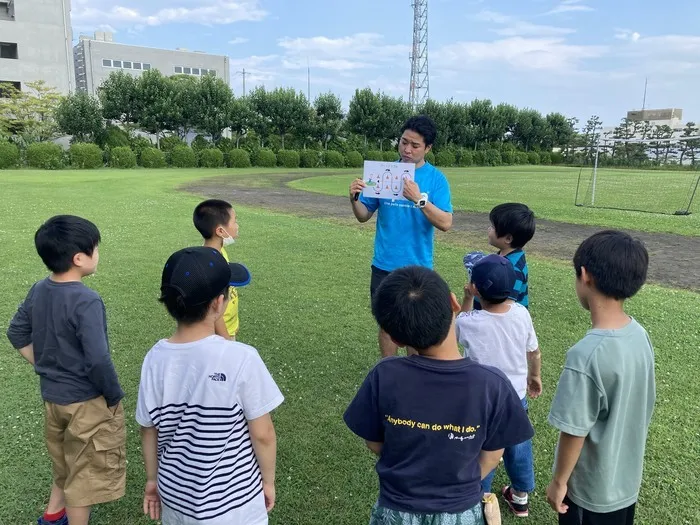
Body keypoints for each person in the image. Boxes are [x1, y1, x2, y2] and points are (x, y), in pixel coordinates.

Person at [344, 266, 534, 525]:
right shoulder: (493, 384)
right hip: (461, 511)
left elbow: (374, 442)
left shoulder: (384, 375)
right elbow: (491, 456)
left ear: (395, 339)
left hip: (395, 511)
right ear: (454, 303)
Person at [136, 246, 283, 525]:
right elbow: (263, 433)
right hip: (236, 505)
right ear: (219, 303)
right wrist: (268, 482)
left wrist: (152, 480)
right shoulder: (242, 357)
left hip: (177, 500)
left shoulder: (154, 359)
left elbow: (148, 429)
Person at [6, 215, 126, 525]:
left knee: (64, 462)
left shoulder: (39, 289)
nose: (98, 253)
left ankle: (52, 515)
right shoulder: (87, 300)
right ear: (78, 258)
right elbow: (99, 359)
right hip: (87, 403)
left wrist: (45, 365)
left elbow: (16, 333)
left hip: (53, 399)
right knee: (83, 480)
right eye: (95, 248)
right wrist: (112, 395)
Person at [546, 231, 655, 525]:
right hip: (626, 483)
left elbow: (574, 430)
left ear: (585, 276)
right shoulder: (638, 333)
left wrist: (559, 482)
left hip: (589, 493)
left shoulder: (586, 354)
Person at [349, 115, 454, 358]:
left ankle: (414, 375)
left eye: (415, 145)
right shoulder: (384, 172)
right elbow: (363, 215)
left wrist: (419, 199)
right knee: (387, 325)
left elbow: (446, 223)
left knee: (415, 328)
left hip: (418, 268)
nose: (407, 149)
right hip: (384, 264)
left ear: (427, 148)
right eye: (403, 142)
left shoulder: (436, 179)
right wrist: (353, 199)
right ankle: (389, 373)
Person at [456, 254, 542, 518]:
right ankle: (520, 497)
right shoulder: (521, 314)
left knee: (482, 448)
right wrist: (534, 376)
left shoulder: (468, 322)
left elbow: (460, 322)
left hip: (482, 400)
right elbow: (534, 352)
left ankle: (479, 496)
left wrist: (468, 296)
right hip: (515, 396)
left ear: (477, 288)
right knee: (519, 444)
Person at [194, 199, 249, 340]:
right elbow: (214, 313)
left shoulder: (219, 250)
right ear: (220, 231)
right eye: (235, 221)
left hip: (229, 327)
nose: (237, 226)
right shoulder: (211, 265)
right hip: (220, 334)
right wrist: (227, 341)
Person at [472, 203, 535, 311]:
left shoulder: (512, 269)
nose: (489, 229)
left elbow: (503, 309)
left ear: (508, 239)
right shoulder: (505, 258)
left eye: (493, 227)